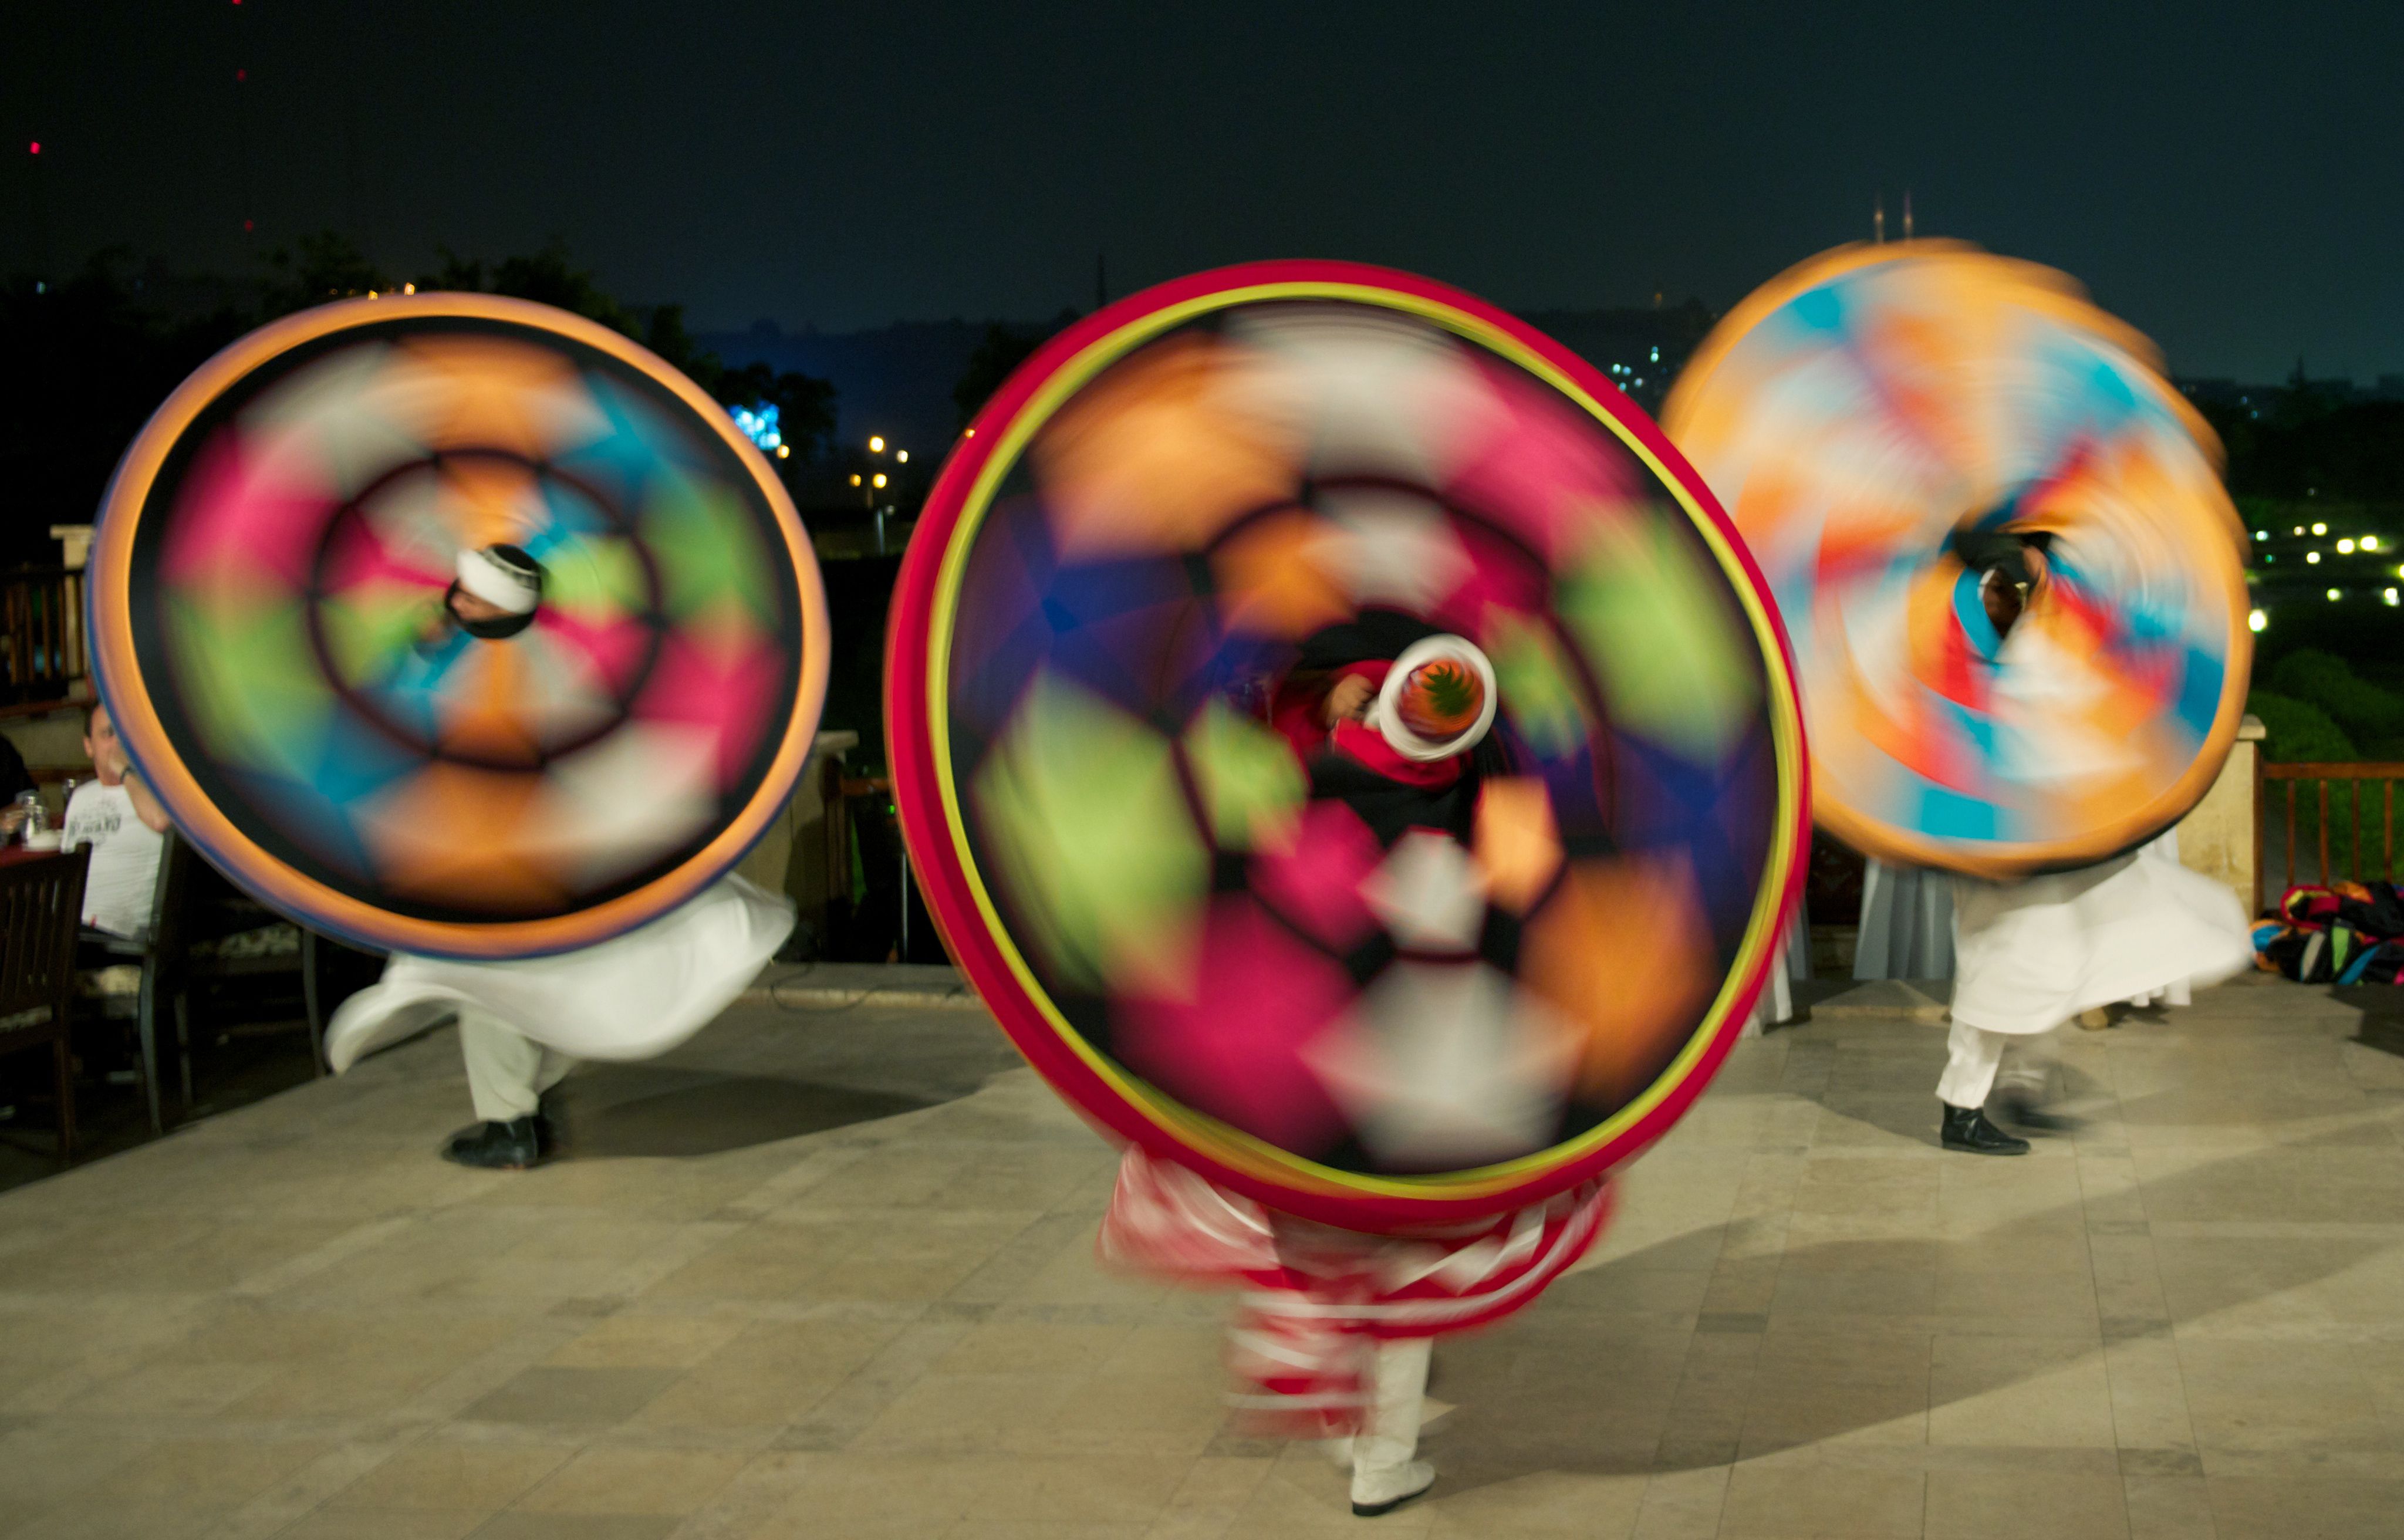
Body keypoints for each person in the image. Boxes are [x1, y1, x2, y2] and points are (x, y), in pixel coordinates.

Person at [1938, 549, 2253, 1154]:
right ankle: (1961, 1108)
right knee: (2001, 978)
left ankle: (2019, 1091)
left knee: (2050, 967)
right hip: (2003, 856)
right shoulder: (1994, 665)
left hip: (2038, 850)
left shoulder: (2023, 656)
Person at [60, 704, 172, 939]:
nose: (119, 742)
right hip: (72, 928)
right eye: (109, 734)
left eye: (126, 733)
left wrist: (124, 770)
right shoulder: (80, 797)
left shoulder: (156, 791)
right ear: (88, 746)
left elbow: (161, 821)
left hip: (118, 937)